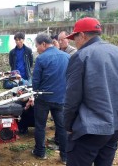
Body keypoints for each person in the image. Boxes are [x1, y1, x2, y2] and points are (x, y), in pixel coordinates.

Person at [64, 17, 118, 166]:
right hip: (115, 127)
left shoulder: (81, 56)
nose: (74, 42)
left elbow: (72, 98)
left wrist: (67, 125)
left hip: (90, 129)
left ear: (82, 35)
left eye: (75, 37)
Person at [30, 33, 69, 165]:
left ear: (43, 44)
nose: (37, 49)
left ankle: (40, 152)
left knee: (40, 126)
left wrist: (34, 94)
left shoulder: (41, 59)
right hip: (61, 98)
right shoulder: (67, 56)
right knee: (62, 127)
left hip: (44, 98)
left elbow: (35, 81)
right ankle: (65, 156)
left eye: (37, 46)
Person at [3, 70, 34, 134]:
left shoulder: (25, 82)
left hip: (27, 102)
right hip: (18, 102)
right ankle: (19, 127)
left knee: (25, 113)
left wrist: (20, 80)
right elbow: (6, 86)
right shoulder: (14, 84)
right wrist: (5, 78)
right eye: (13, 77)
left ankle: (24, 127)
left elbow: (27, 84)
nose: (15, 78)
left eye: (16, 77)